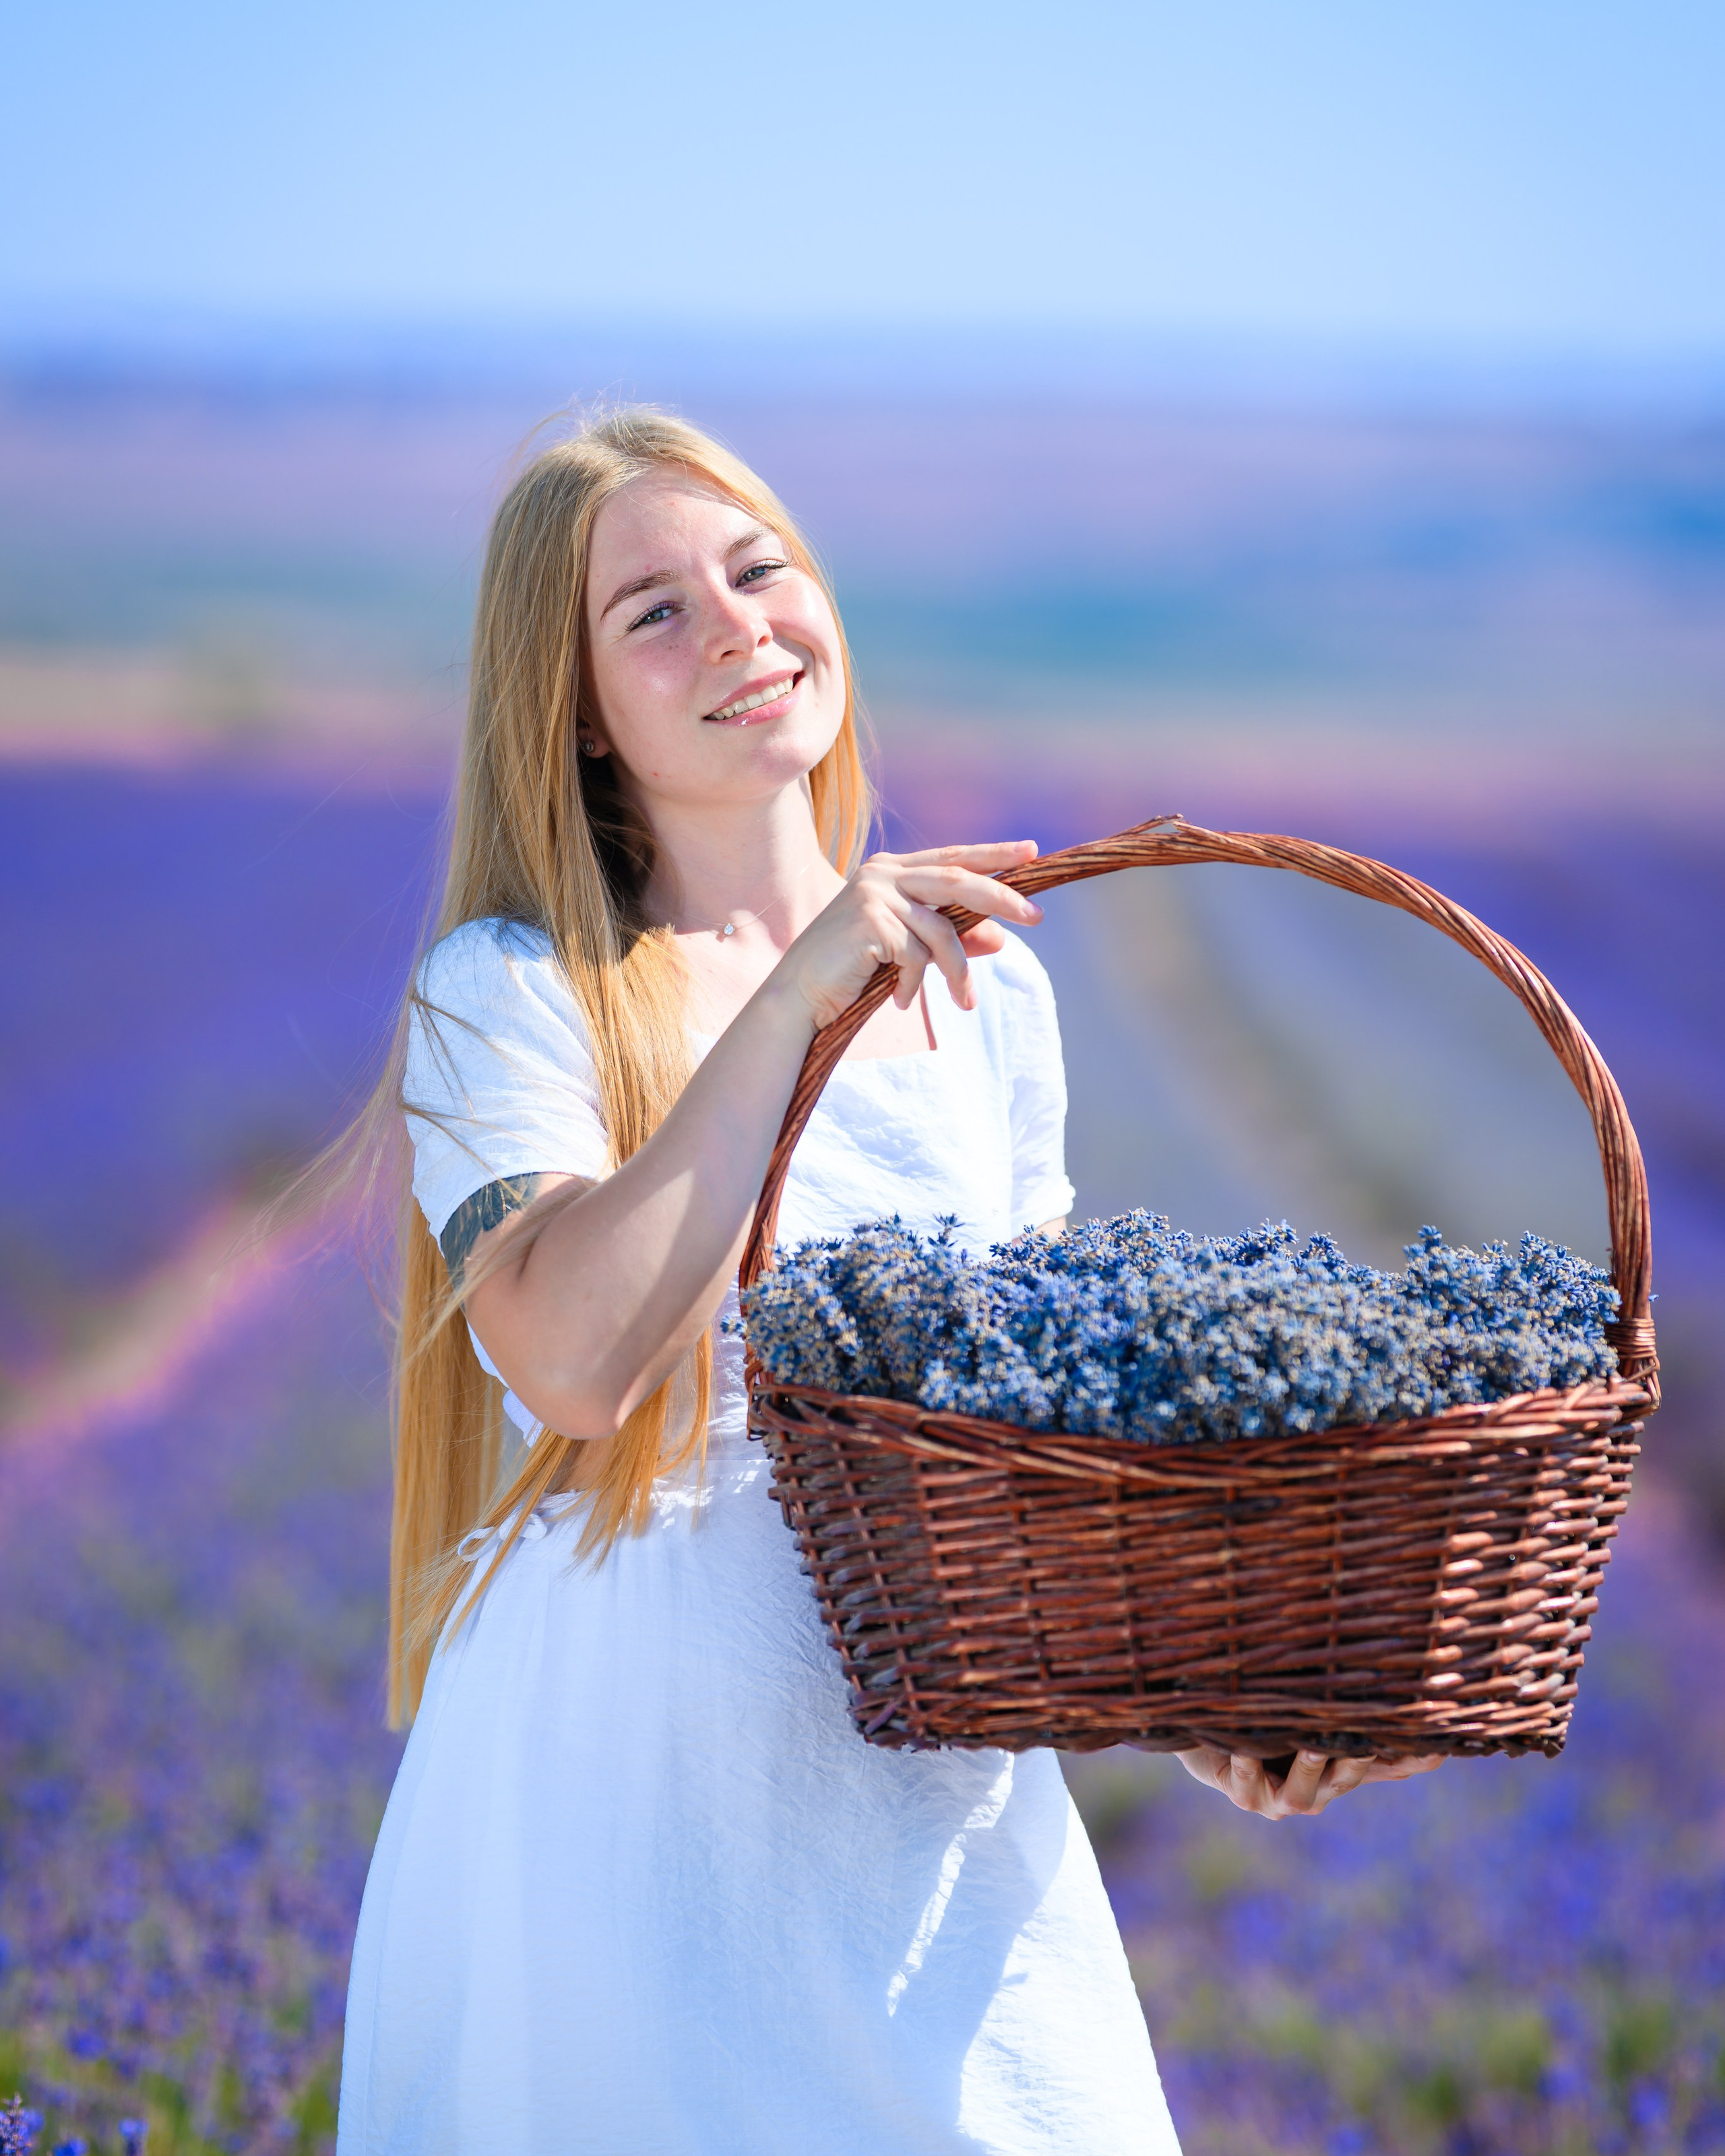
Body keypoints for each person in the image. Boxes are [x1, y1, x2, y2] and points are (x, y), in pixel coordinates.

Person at [335, 409, 1436, 2156]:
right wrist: (800, 991)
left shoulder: (993, 1001)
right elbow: (569, 1361)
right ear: (580, 720)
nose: (738, 630)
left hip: (935, 1822)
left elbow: (1024, 1453)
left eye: (758, 570)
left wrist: (1204, 1705)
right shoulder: (518, 986)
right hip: (632, 1839)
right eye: (653, 616)